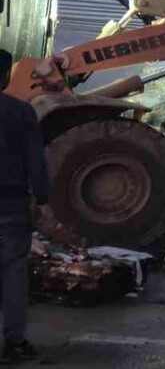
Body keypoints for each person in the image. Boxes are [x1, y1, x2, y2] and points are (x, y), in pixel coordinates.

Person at [0, 49, 48, 362]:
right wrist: (43, 199)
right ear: (5, 75)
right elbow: (36, 162)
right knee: (13, 273)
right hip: (10, 204)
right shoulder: (21, 112)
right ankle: (14, 343)